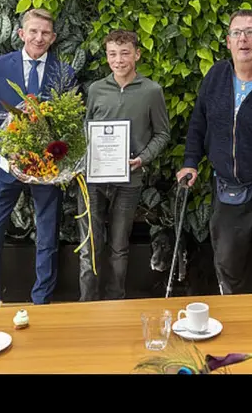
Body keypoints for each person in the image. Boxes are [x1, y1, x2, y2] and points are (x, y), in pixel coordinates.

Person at [177, 9, 252, 294]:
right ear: (228, 42)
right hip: (226, 190)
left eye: (251, 32)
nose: (243, 39)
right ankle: (235, 333)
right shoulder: (215, 77)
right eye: (236, 33)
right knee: (229, 268)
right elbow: (198, 122)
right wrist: (190, 162)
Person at [0, 8, 75, 308]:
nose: (38, 38)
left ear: (53, 38)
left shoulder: (64, 73)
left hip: (47, 170)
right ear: (21, 34)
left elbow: (69, 124)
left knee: (47, 237)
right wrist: (5, 144)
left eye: (45, 33)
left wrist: (55, 152)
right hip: (5, 167)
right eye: (33, 31)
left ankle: (41, 302)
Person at [78, 29, 170, 300]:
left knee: (119, 246)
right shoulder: (96, 89)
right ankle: (86, 303)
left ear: (137, 54)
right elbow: (86, 129)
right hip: (93, 180)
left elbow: (163, 133)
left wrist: (143, 158)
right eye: (112, 54)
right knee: (89, 246)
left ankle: (115, 301)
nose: (118, 60)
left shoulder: (152, 91)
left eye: (125, 53)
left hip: (129, 181)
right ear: (107, 57)